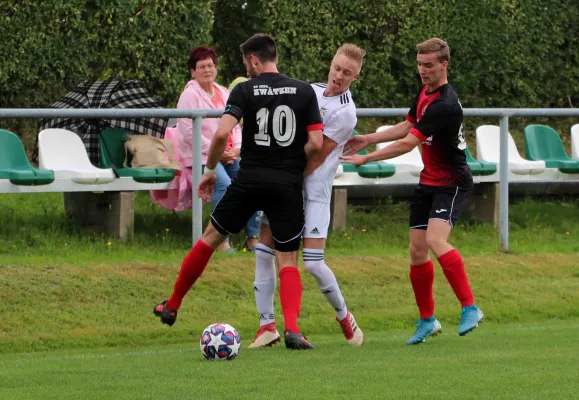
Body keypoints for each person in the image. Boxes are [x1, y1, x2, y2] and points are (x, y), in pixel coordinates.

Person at [154, 33, 324, 350]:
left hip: (249, 181)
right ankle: (294, 330)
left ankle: (173, 304)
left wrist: (207, 171)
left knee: (209, 239)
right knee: (287, 258)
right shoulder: (303, 91)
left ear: (254, 60)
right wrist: (291, 167)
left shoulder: (244, 90)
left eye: (247, 63)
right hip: (286, 185)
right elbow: (316, 143)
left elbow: (221, 134)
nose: (247, 69)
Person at [340, 38, 484, 345]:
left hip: (452, 183)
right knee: (417, 252)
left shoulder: (445, 104)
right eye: (419, 64)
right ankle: (427, 320)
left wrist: (367, 157)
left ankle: (470, 307)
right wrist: (367, 138)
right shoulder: (425, 93)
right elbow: (407, 126)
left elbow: (408, 143)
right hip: (429, 182)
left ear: (444, 65)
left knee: (434, 240)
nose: (422, 70)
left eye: (428, 65)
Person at [248, 44, 366, 349]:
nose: (339, 76)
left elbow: (316, 155)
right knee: (264, 249)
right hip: (286, 182)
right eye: (337, 68)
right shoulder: (307, 91)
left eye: (347, 73)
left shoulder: (345, 112)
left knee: (313, 263)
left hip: (313, 191)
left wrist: (282, 175)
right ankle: (267, 326)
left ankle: (344, 318)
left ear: (356, 76)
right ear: (331, 64)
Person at [169, 45, 258, 252]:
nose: (207, 70)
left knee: (254, 180)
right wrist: (216, 150)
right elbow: (188, 132)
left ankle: (253, 237)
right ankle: (220, 241)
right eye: (202, 67)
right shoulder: (189, 96)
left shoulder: (224, 92)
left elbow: (235, 124)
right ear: (193, 71)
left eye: (210, 65)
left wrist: (236, 148)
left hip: (228, 154)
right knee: (224, 184)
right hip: (201, 156)